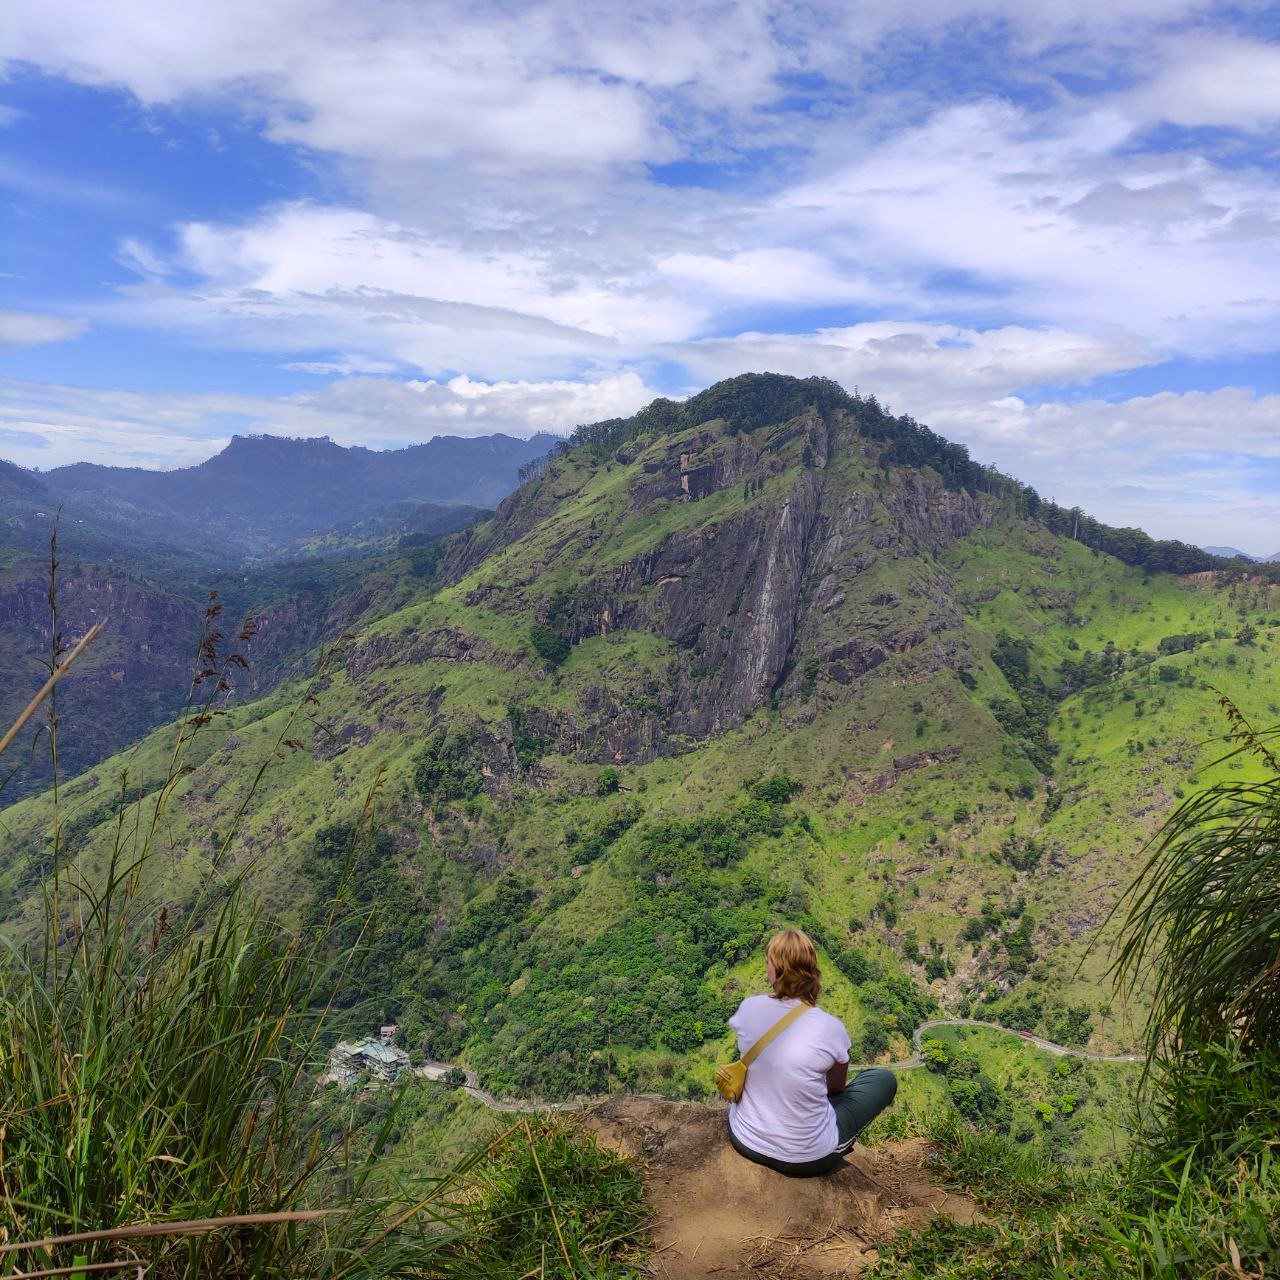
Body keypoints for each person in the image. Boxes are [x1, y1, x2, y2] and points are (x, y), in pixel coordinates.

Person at [726, 929, 897, 1176]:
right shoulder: (830, 1028)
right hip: (807, 1158)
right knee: (882, 1079)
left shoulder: (749, 1008)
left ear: (775, 971)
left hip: (745, 1139)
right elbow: (836, 1089)